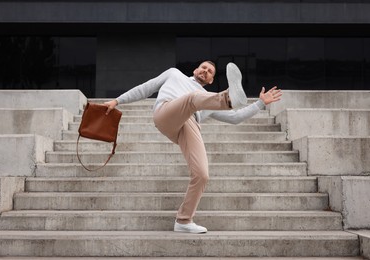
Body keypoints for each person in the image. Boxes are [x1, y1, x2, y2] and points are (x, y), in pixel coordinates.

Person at [104, 61, 282, 234]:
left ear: (211, 80)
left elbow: (235, 118)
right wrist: (117, 101)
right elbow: (146, 88)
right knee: (192, 98)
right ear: (196, 69)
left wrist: (260, 103)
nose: (205, 71)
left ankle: (183, 220)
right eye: (203, 67)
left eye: (210, 71)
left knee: (202, 174)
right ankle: (229, 97)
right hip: (166, 112)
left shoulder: (207, 100)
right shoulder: (174, 74)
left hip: (190, 123)